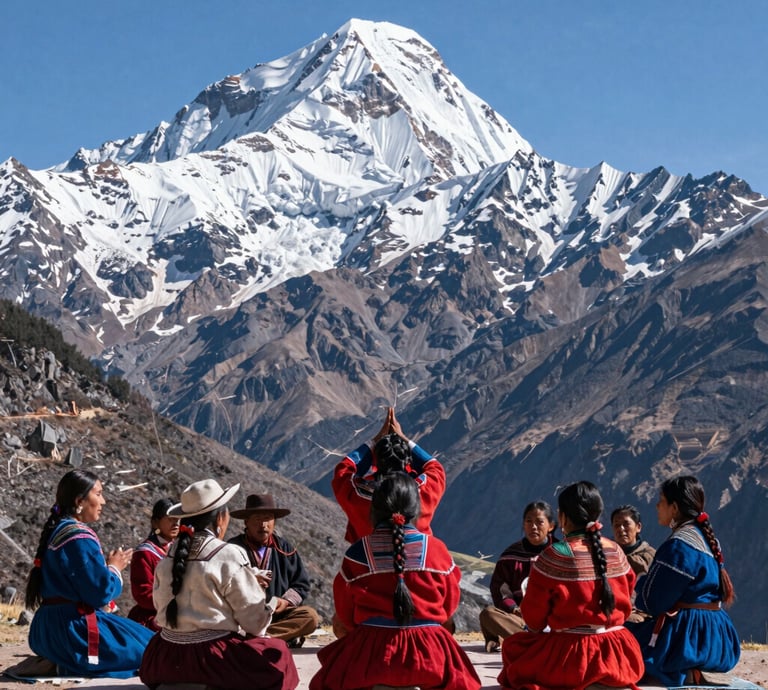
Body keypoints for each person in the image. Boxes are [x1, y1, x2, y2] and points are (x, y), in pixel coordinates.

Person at [310, 473, 481, 690]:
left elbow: (345, 614)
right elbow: (448, 606)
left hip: (372, 654)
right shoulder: (436, 550)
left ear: (375, 509)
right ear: (415, 509)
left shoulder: (358, 552)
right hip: (430, 655)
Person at [139, 479, 299, 690]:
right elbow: (255, 623)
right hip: (211, 658)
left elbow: (161, 606)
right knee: (278, 654)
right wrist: (270, 604)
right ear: (221, 518)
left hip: (165, 657)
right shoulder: (228, 554)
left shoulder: (169, 554)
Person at [498, 480, 644, 690]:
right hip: (620, 654)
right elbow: (628, 596)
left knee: (515, 648)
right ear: (598, 514)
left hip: (572, 657)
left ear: (562, 517)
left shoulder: (554, 555)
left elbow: (534, 621)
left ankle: (587, 679)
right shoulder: (616, 551)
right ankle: (604, 678)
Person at [24, 469, 154, 678]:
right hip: (72, 631)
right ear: (80, 500)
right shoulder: (78, 536)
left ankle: (62, 661)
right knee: (152, 649)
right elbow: (100, 593)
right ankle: (71, 663)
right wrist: (114, 567)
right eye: (99, 494)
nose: (103, 501)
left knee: (141, 639)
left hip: (45, 631)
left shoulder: (58, 531)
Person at [627, 475, 740, 687]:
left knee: (624, 640)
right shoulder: (708, 540)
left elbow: (652, 602)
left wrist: (637, 589)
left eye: (661, 500)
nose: (657, 506)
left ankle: (681, 671)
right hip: (719, 637)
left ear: (675, 508)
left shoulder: (679, 547)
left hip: (689, 637)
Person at [332, 406, 445, 543]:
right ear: (408, 461)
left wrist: (374, 441)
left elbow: (344, 471)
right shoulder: (422, 492)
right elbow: (435, 468)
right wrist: (405, 439)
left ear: (375, 461)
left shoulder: (358, 494)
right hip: (420, 561)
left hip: (366, 562)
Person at [228, 493, 319, 647]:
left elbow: (301, 584)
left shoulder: (285, 549)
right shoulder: (232, 548)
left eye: (267, 518)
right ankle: (271, 639)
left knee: (310, 617)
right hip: (242, 615)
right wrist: (247, 581)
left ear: (274, 522)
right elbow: (221, 581)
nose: (263, 524)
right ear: (246, 522)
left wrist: (285, 601)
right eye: (257, 518)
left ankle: (256, 639)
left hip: (276, 616)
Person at [479, 500, 557, 653]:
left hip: (554, 620)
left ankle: (522, 640)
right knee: (488, 614)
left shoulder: (560, 552)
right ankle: (533, 640)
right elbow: (500, 589)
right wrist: (515, 609)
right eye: (528, 521)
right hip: (521, 618)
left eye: (539, 522)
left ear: (551, 526)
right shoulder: (511, 556)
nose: (533, 526)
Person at [127, 497, 180, 630]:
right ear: (156, 523)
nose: (176, 524)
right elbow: (143, 594)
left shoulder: (179, 548)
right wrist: (175, 601)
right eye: (170, 519)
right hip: (152, 618)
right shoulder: (145, 553)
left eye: (178, 519)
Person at [610, 504, 656, 577]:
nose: (621, 529)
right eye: (617, 525)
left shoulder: (651, 556)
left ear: (638, 527)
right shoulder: (607, 555)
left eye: (626, 524)